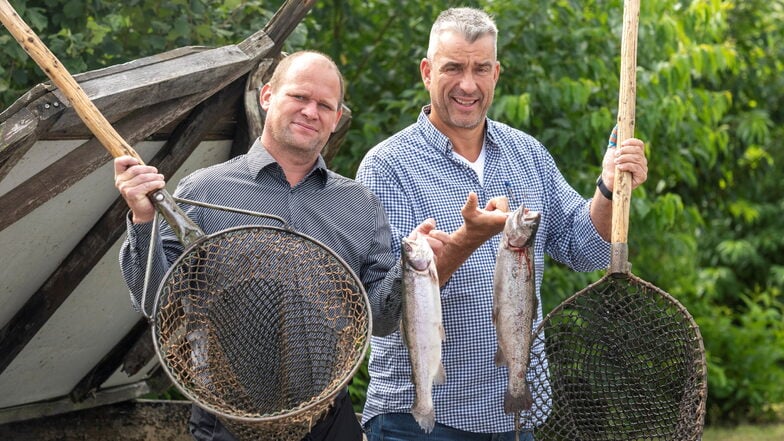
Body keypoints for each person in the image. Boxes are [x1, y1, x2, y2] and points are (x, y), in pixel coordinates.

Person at [357, 7, 648, 441]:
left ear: (496, 73)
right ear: (426, 71)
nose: (467, 84)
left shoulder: (527, 153)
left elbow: (586, 249)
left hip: (514, 416)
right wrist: (466, 241)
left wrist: (608, 188)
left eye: (480, 69)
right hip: (420, 419)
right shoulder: (387, 167)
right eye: (453, 68)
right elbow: (384, 310)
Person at [114, 50, 409, 441]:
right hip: (229, 420)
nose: (310, 111)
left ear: (336, 119)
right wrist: (144, 218)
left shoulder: (359, 205)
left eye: (325, 105)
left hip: (327, 421)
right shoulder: (204, 189)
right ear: (267, 96)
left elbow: (382, 319)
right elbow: (156, 302)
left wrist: (417, 264)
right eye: (299, 97)